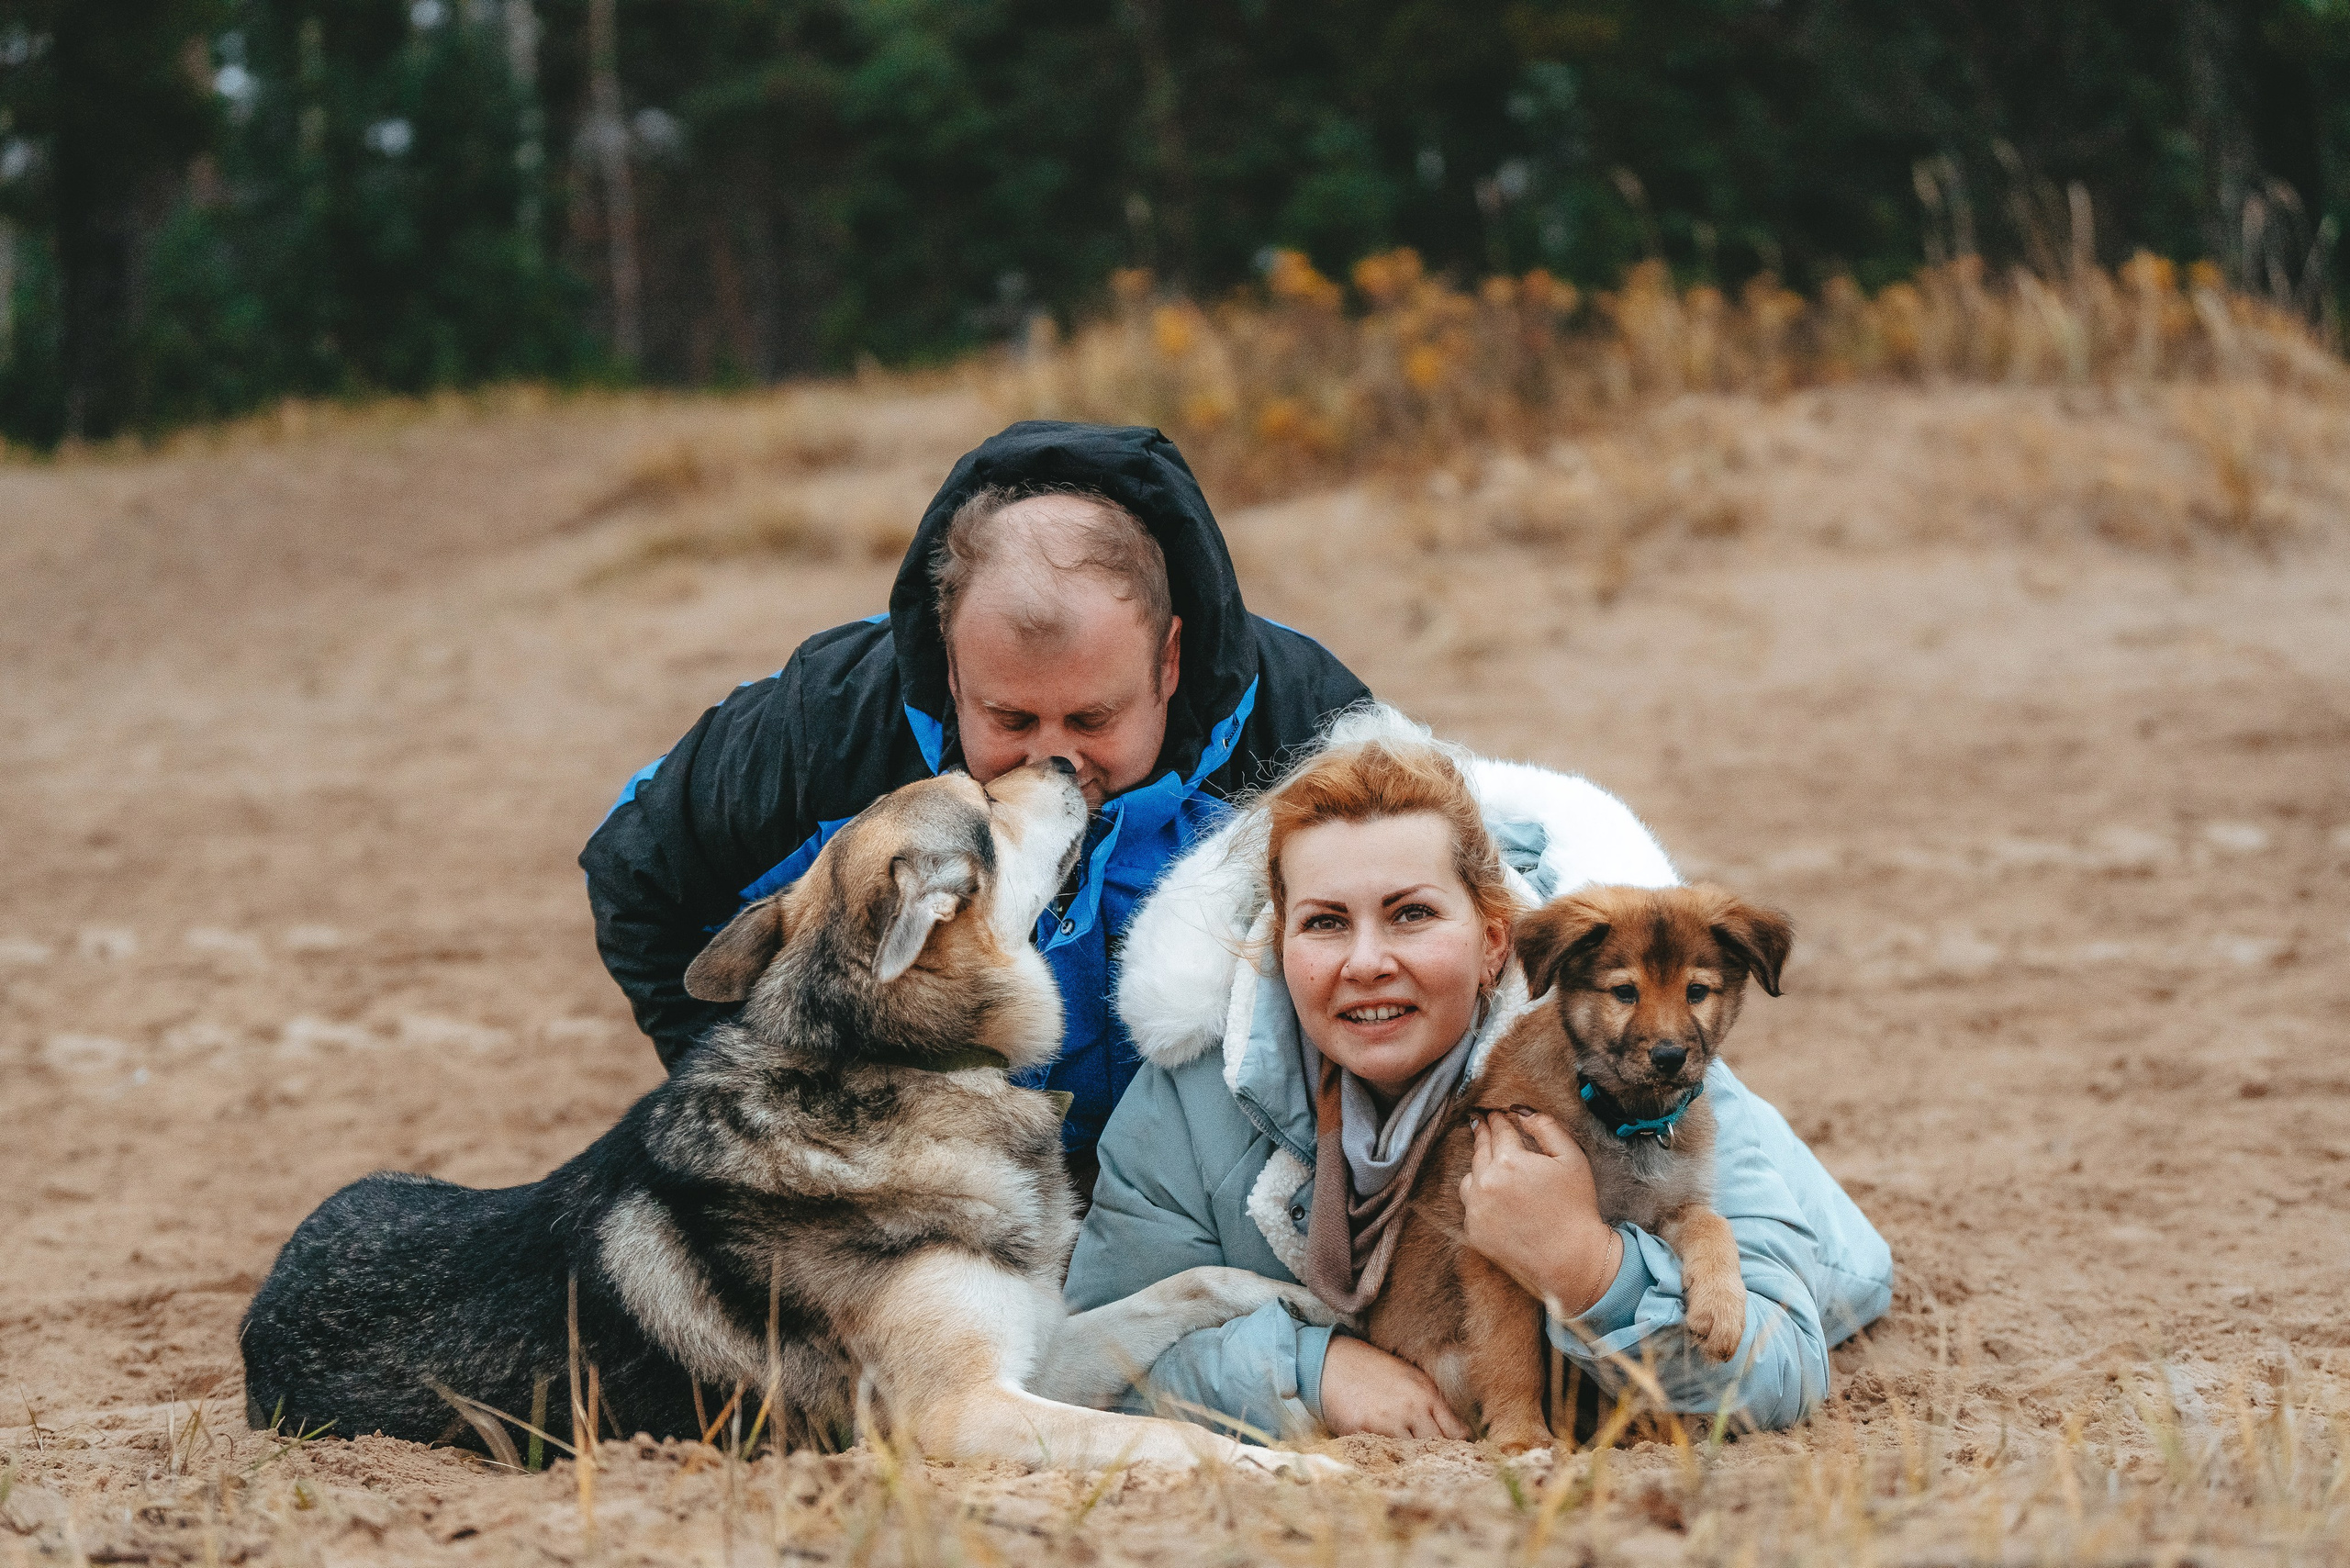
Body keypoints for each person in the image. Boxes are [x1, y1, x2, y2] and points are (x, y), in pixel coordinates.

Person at [1068, 706, 1892, 1439]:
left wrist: (1586, 1264)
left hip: (1834, 1268)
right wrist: (1308, 1371)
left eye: (1412, 914)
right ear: (1280, 946)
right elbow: (1090, 1359)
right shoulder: (1184, 1107)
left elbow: (1780, 1373)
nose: (1367, 962)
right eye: (1324, 923)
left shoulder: (1653, 1080)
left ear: (1496, 940)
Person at [580, 421, 1371, 1182]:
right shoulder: (825, 726)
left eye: (1094, 719)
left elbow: (1431, 923)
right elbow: (634, 873)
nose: (1054, 762)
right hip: (923, 1178)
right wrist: (778, 1109)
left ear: (1168, 661)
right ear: (953, 668)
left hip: (1208, 1176)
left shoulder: (1310, 731)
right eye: (1011, 719)